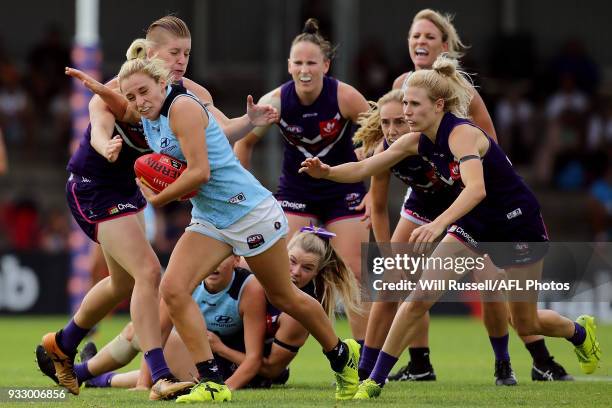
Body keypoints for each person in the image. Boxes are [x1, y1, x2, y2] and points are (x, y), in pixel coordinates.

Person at [300, 55, 602, 400]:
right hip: (473, 224)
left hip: (518, 223)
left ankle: (579, 333)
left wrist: (440, 223)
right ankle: (374, 382)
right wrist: (327, 172)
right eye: (405, 104)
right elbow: (366, 167)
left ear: (438, 105)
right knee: (417, 298)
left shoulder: (461, 135)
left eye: (414, 104)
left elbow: (477, 189)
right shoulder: (414, 140)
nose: (407, 112)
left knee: (526, 322)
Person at [81, 56, 362, 402]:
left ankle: (341, 354)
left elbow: (200, 173)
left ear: (162, 84)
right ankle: (211, 382)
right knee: (172, 289)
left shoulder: (181, 107)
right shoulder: (145, 112)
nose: (139, 100)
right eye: (132, 95)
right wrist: (99, 91)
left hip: (248, 212)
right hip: (211, 217)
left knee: (283, 296)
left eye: (144, 91)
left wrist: (158, 199)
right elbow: (122, 109)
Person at [41, 15, 277, 401]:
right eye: (174, 52)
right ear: (151, 53)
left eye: (187, 53)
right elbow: (99, 124)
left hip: (130, 187)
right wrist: (106, 146)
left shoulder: (189, 94)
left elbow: (216, 132)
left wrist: (248, 122)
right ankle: (160, 376)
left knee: (124, 282)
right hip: (93, 186)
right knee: (149, 272)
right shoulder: (121, 90)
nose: (182, 60)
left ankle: (62, 345)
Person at [362, 8, 570, 384]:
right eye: (415, 36)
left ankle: (515, 361)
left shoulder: (459, 90)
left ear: (445, 45)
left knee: (492, 284)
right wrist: (366, 163)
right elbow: (386, 138)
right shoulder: (401, 85)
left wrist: (482, 192)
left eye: (429, 36)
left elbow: (489, 144)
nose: (420, 42)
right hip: (425, 192)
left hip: (466, 190)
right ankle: (389, 368)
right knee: (394, 278)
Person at [234, 18, 370, 342]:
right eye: (298, 62)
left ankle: (366, 360)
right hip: (297, 190)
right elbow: (243, 142)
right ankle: (266, 344)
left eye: (312, 62)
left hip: (344, 189)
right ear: (289, 66)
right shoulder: (276, 102)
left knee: (355, 270)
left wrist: (372, 181)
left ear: (326, 64)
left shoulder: (346, 97)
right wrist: (246, 196)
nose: (305, 69)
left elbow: (376, 137)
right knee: (278, 267)